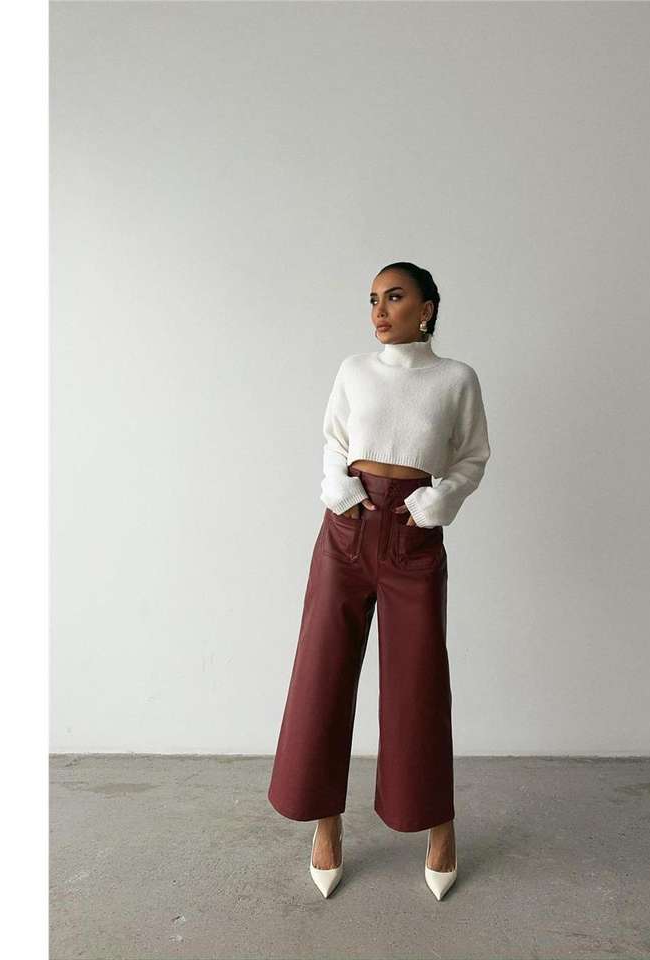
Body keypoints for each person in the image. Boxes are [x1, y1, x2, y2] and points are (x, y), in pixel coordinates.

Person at [267, 262, 491, 900]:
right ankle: (325, 823)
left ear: (427, 308)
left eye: (394, 297)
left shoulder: (456, 379)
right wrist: (340, 494)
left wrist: (433, 504)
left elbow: (472, 456)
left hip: (413, 535)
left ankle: (439, 826)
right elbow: (333, 441)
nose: (379, 311)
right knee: (323, 673)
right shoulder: (354, 370)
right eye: (373, 299)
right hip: (347, 531)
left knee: (419, 684)